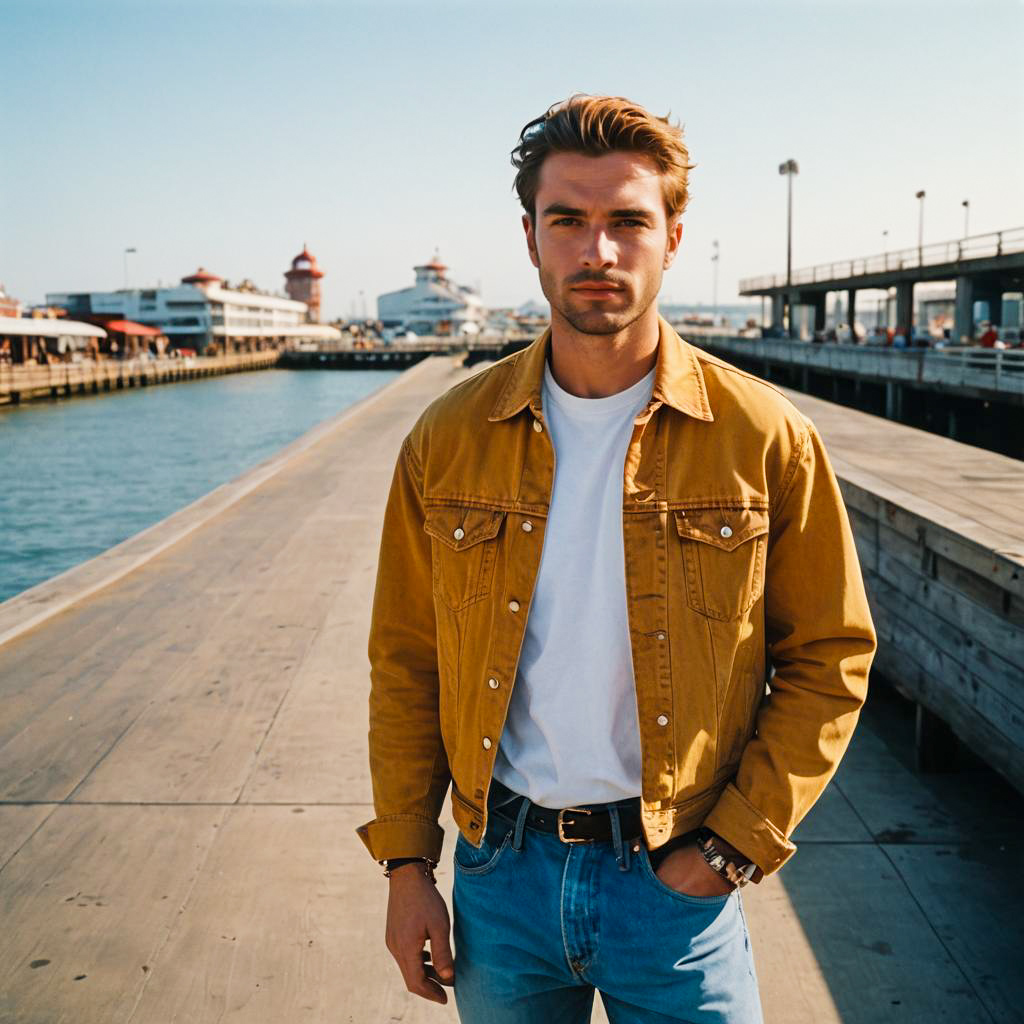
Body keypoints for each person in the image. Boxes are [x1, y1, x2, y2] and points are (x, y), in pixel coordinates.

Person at [356, 94, 877, 1023]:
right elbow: (407, 663)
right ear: (531, 238)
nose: (597, 252)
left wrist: (725, 851)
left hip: (676, 882)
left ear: (673, 237)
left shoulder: (764, 438)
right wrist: (407, 866)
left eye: (628, 221)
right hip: (499, 877)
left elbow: (830, 660)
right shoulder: (448, 439)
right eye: (569, 221)